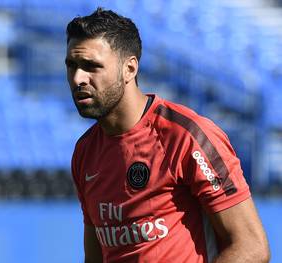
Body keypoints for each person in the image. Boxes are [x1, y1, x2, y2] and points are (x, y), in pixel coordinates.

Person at [65, 8, 270, 263]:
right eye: (71, 65)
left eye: (91, 66)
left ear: (129, 69)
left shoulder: (186, 136)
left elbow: (252, 247)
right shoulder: (85, 152)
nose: (77, 78)